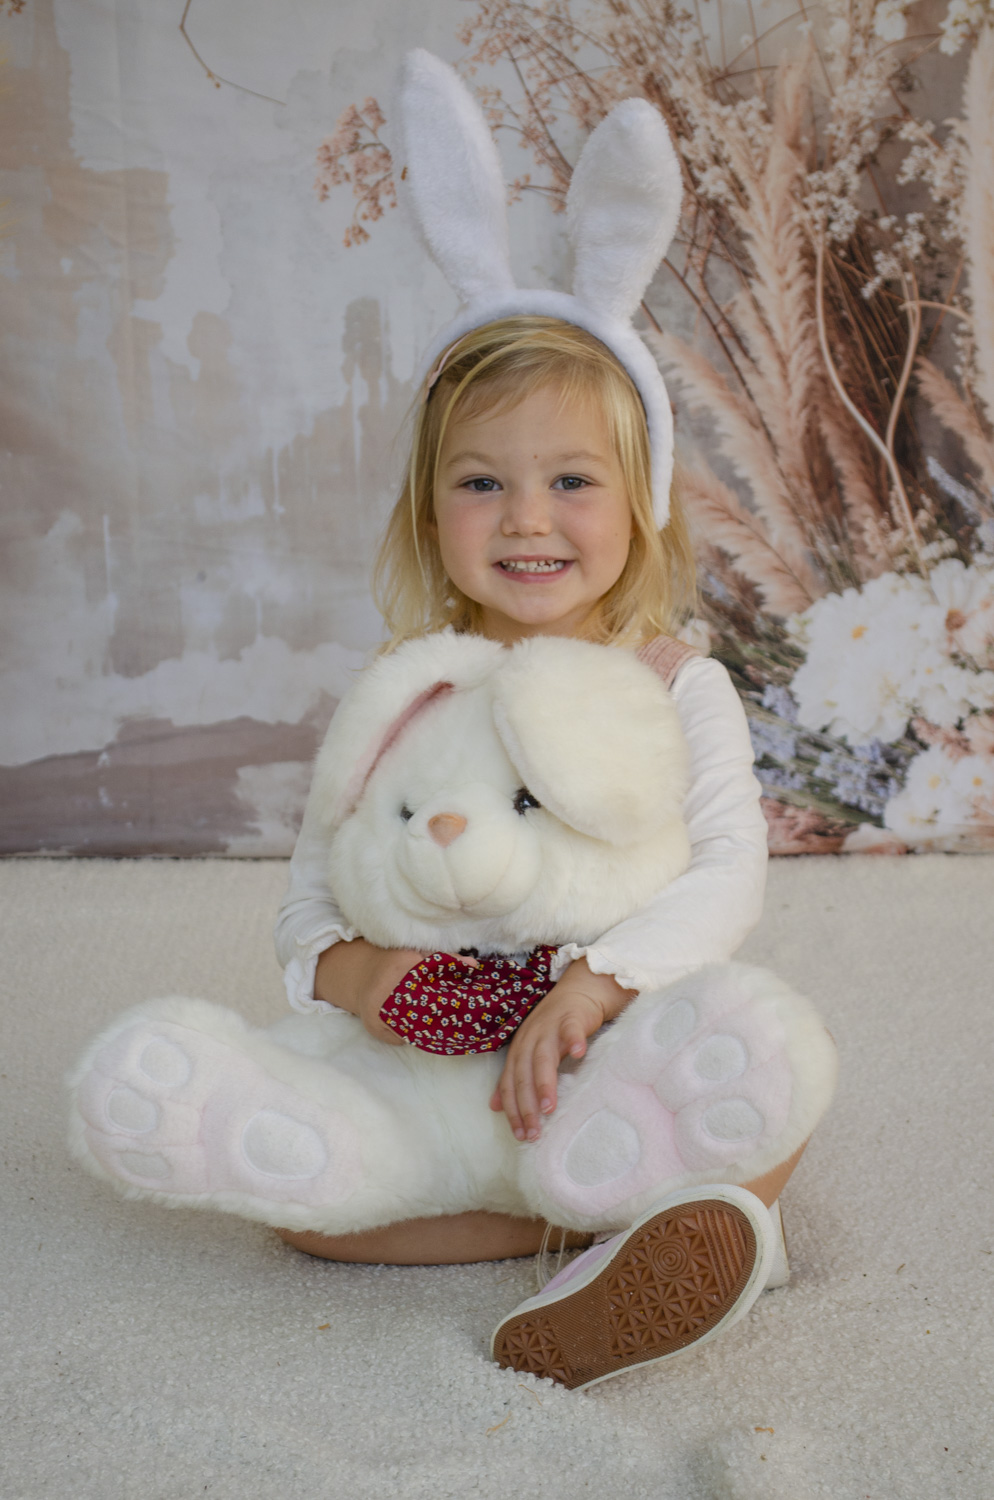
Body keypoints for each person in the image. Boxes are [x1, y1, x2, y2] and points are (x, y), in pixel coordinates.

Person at [271, 313, 816, 1384]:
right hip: (446, 1055)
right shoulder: (407, 692)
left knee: (778, 1074)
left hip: (611, 1035)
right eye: (480, 484)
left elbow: (723, 873)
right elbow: (305, 901)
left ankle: (652, 1231)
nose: (527, 519)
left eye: (573, 480)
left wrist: (595, 987)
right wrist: (364, 973)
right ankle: (602, 1229)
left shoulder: (674, 682)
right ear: (428, 515)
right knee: (303, 1216)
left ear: (642, 506)